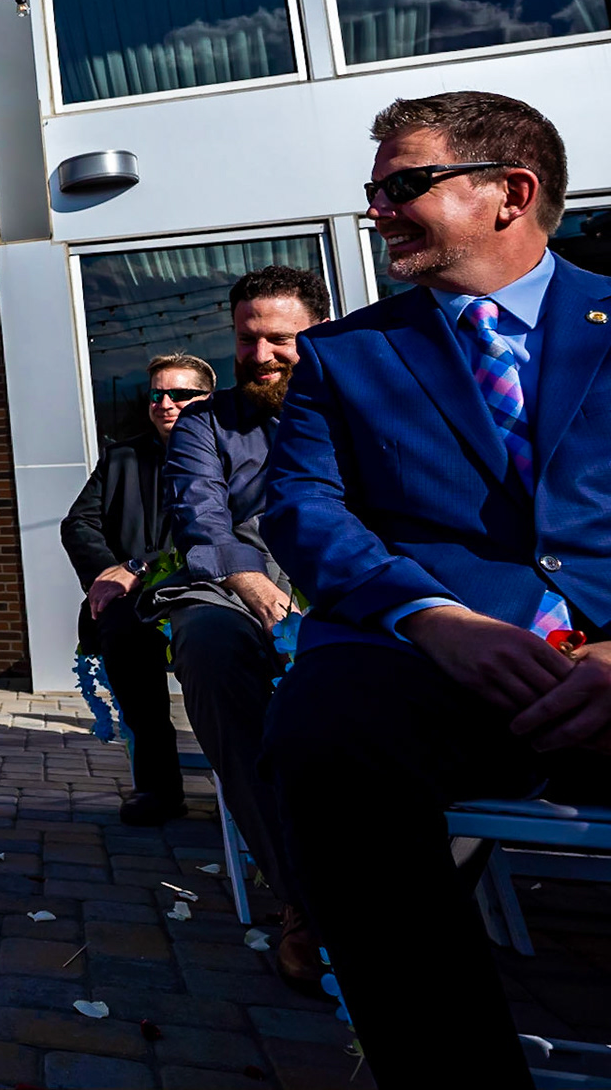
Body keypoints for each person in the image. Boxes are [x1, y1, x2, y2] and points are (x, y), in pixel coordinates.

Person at [262, 91, 611, 1088]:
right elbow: (303, 507)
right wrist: (432, 616)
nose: (377, 209)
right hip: (433, 668)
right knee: (324, 734)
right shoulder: (345, 354)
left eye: (404, 184)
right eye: (374, 189)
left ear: (512, 191)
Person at [156, 265, 329, 987]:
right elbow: (201, 516)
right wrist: (253, 585)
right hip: (239, 585)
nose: (260, 355)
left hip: (350, 584)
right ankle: (304, 898)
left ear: (318, 332)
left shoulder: (361, 401)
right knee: (208, 644)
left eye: (279, 339)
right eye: (245, 338)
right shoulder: (206, 422)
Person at [60, 352, 213, 826]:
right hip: (133, 603)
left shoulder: (230, 453)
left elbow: (216, 533)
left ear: (209, 398)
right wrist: (109, 575)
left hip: (206, 590)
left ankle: (245, 778)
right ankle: (158, 788)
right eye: (156, 395)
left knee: (217, 650)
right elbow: (78, 524)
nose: (165, 404)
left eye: (181, 394)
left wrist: (138, 567)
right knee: (123, 634)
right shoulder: (121, 457)